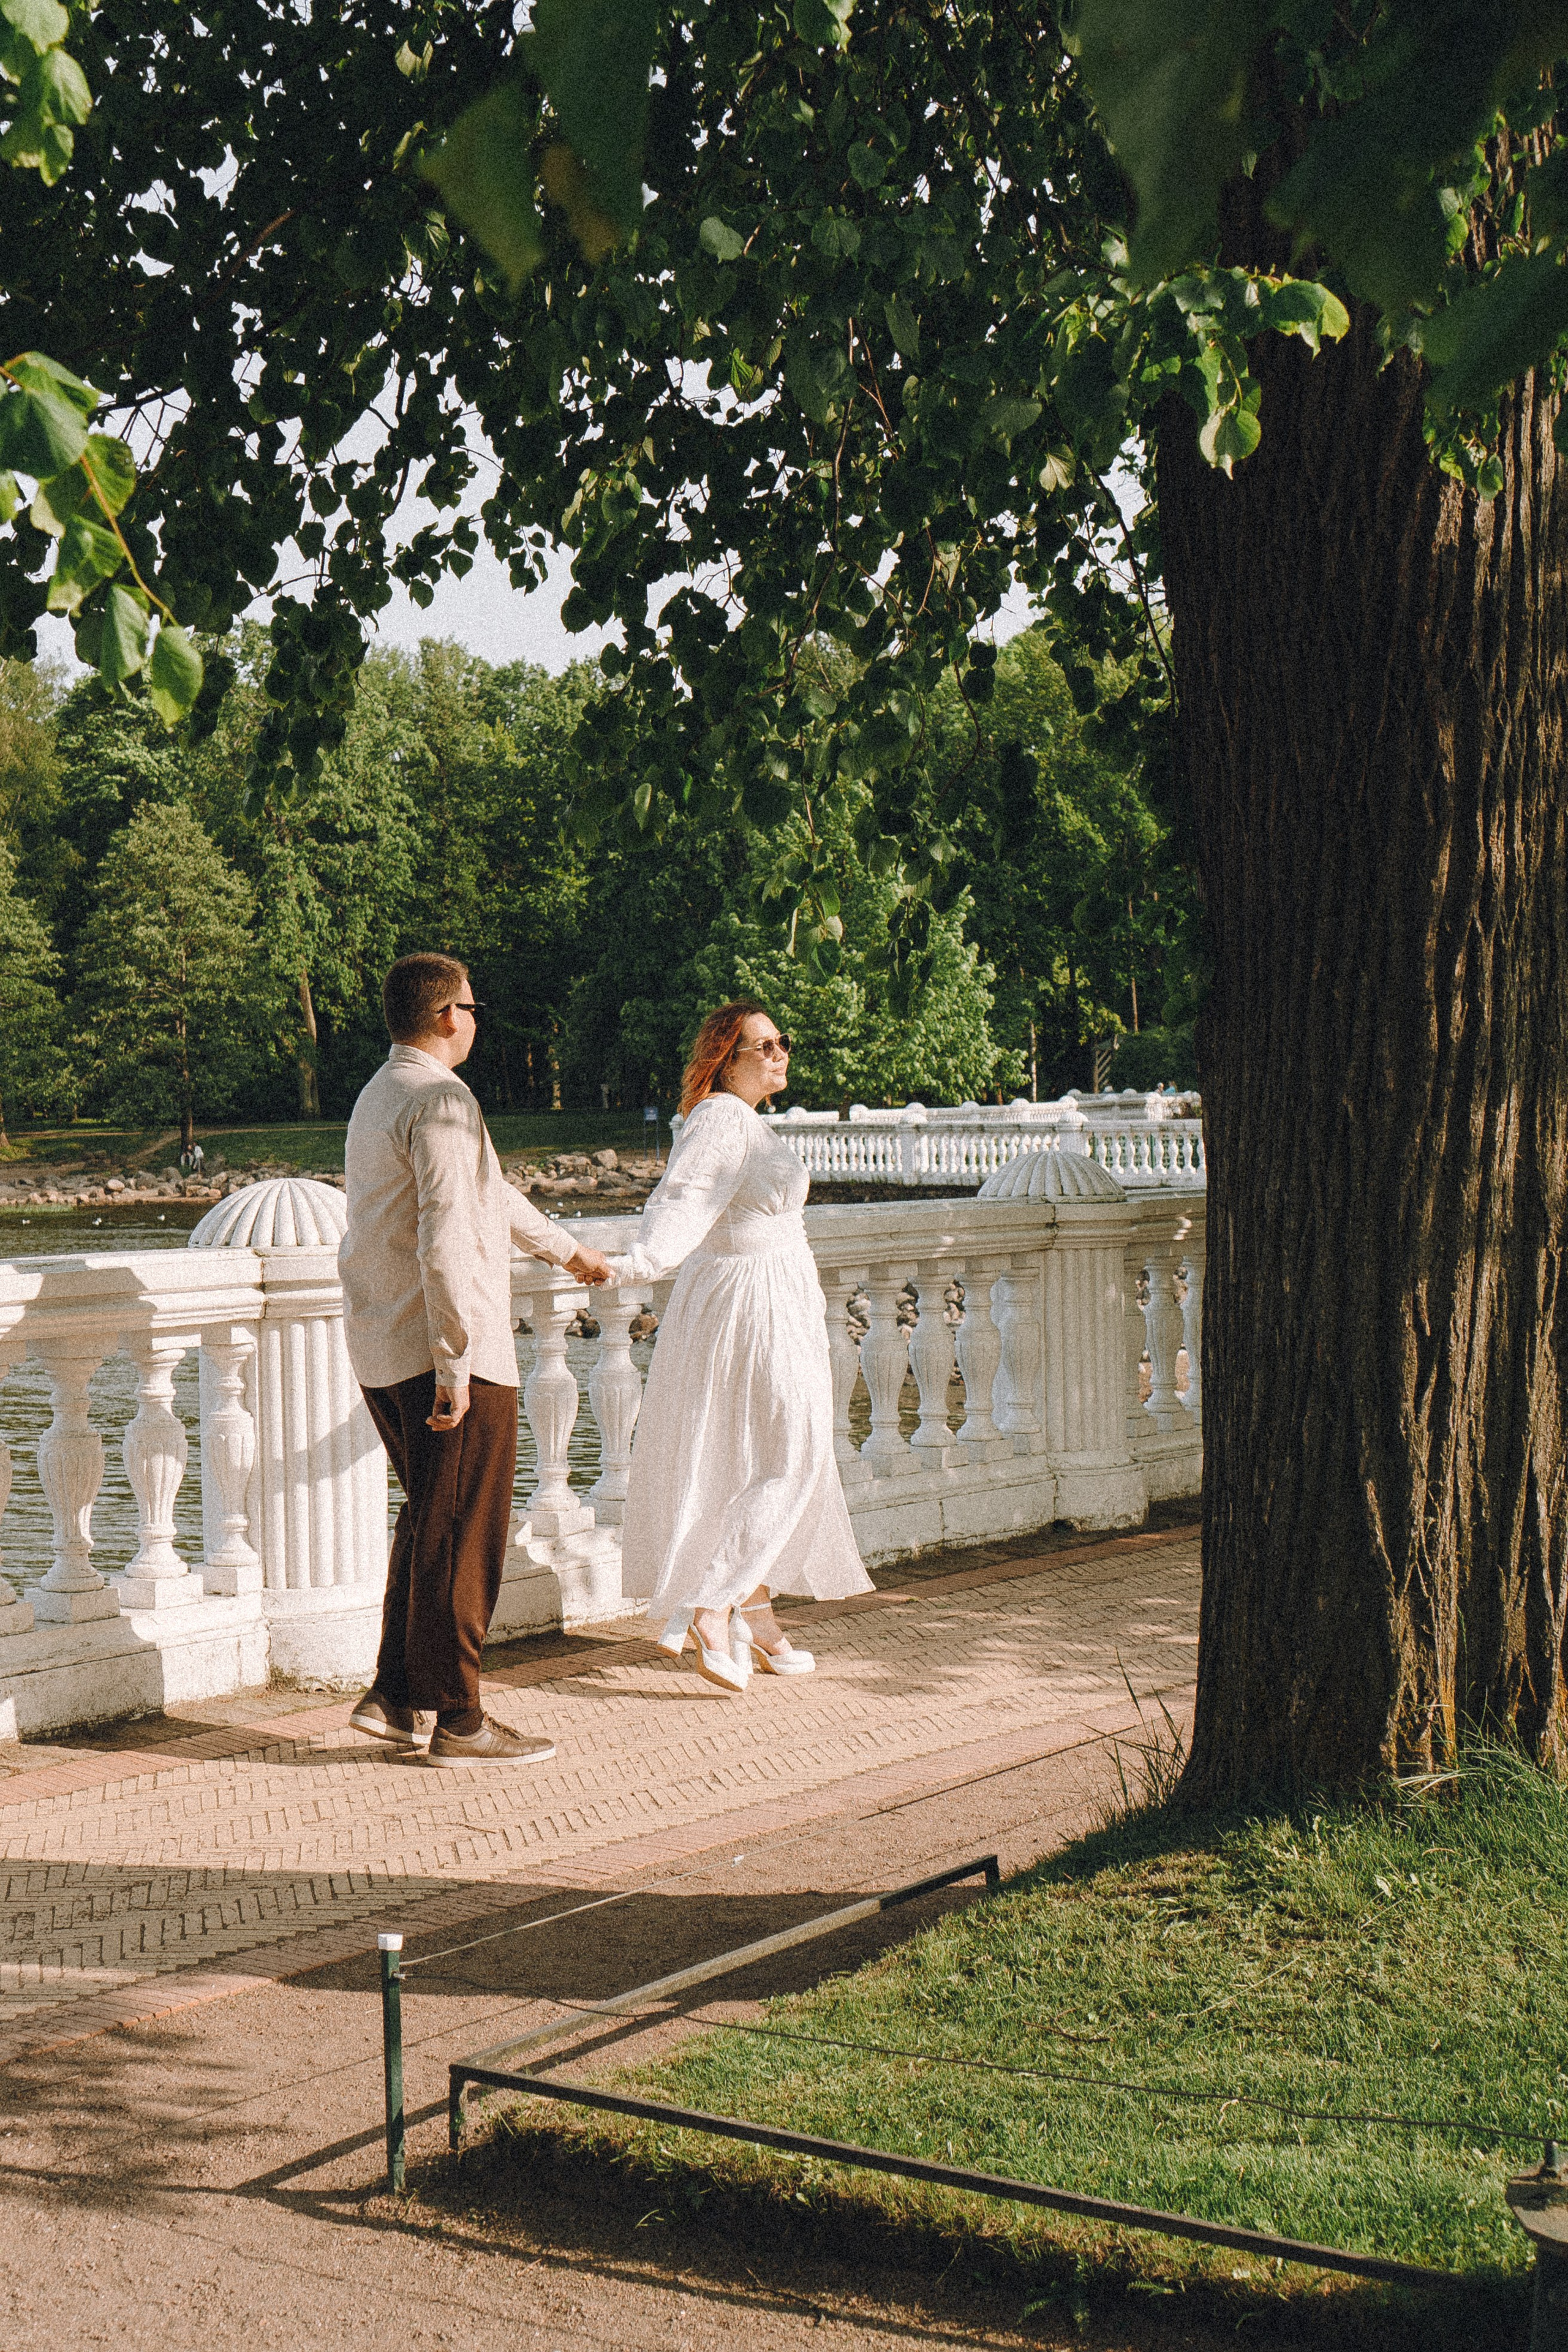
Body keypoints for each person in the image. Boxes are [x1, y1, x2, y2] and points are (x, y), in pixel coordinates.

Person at [340, 952, 612, 1766]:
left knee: (430, 1519)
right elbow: (450, 1239)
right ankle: (459, 1719)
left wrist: (567, 1252)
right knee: (465, 1531)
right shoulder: (442, 1098)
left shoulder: (381, 1093)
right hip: (445, 1353)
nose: (478, 1018)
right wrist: (458, 1366)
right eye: (473, 1005)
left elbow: (484, 1195)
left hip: (383, 1344)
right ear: (447, 1015)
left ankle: (393, 1697)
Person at [607, 1001, 872, 1692]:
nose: (780, 1054)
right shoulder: (721, 1119)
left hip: (777, 1300)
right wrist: (633, 1264)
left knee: (757, 1455)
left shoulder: (748, 1122)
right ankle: (712, 1606)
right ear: (726, 1059)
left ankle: (758, 1618)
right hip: (746, 1303)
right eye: (763, 1046)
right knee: (793, 1450)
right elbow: (681, 1203)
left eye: (783, 1041)